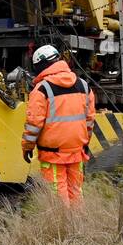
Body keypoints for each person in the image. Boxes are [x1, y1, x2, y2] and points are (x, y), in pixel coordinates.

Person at [21, 45, 96, 207]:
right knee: (76, 191)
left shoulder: (41, 90)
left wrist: (27, 147)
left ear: (40, 65)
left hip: (52, 153)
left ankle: (62, 228)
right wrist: (85, 143)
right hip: (77, 149)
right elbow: (89, 120)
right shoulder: (83, 85)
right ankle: (79, 226)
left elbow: (34, 124)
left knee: (57, 193)